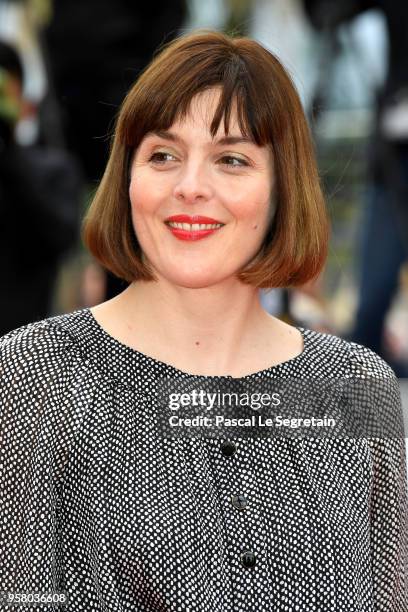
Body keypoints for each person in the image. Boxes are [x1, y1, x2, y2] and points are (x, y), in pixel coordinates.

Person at [0, 30, 406, 611]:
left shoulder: (358, 387)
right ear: (128, 179)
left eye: (232, 159)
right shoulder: (30, 378)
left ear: (282, 189)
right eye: (162, 155)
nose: (190, 188)